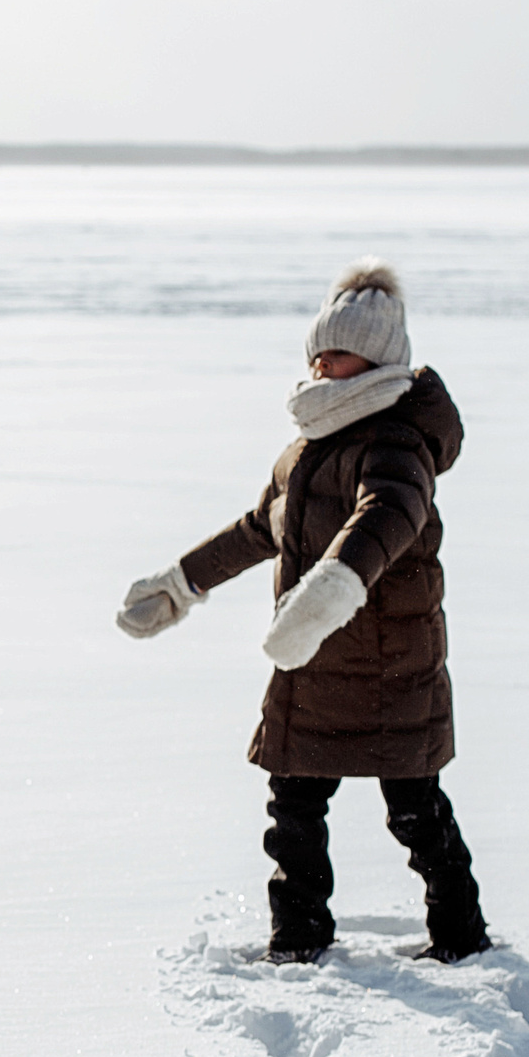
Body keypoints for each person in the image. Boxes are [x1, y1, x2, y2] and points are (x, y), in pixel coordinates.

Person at [115, 261, 489, 966]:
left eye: (339, 350)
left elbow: (387, 518)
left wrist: (325, 596)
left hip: (388, 664)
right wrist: (180, 584)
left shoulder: (397, 443)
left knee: (415, 811)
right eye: (318, 347)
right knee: (292, 810)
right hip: (312, 663)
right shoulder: (310, 447)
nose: (322, 360)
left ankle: (461, 937)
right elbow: (263, 528)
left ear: (377, 359)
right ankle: (298, 938)